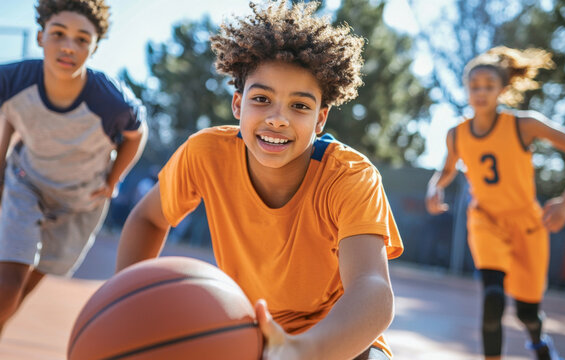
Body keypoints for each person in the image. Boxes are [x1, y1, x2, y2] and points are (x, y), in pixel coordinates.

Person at [116, 2, 402, 359]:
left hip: (334, 342)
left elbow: (372, 288)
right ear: (238, 105)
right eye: (262, 99)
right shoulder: (206, 154)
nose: (278, 118)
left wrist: (303, 350)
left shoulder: (349, 178)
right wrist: (124, 303)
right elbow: (148, 218)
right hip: (246, 334)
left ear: (320, 119)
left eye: (299, 106)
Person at [425, 46, 565, 360]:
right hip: (485, 219)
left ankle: (539, 343)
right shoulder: (456, 134)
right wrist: (435, 187)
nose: (480, 92)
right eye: (474, 86)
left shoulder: (523, 124)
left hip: (527, 224)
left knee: (527, 313)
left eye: (489, 86)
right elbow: (447, 170)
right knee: (492, 297)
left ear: (502, 90)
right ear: (466, 89)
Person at [0, 0, 147, 338]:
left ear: (95, 47)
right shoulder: (13, 79)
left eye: (82, 39)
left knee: (21, 294)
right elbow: (8, 113)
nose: (69, 46)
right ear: (40, 37)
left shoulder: (111, 101)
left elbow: (138, 133)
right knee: (8, 285)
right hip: (27, 185)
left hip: (80, 201)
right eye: (58, 34)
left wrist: (113, 181)